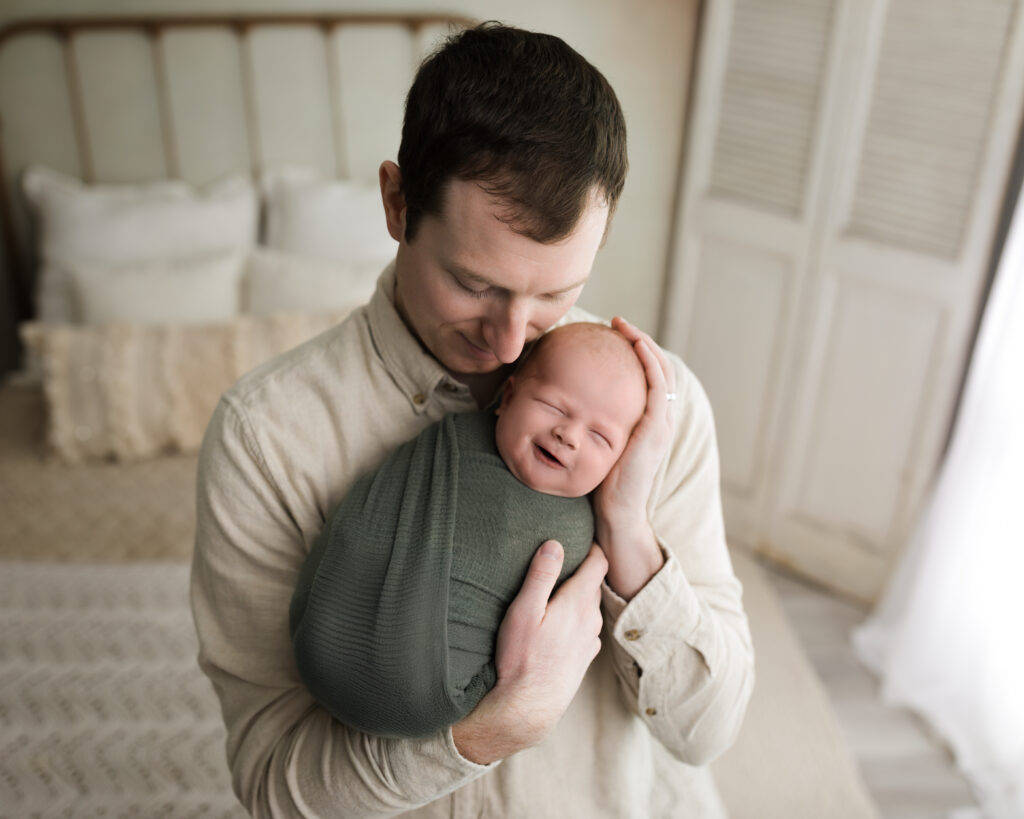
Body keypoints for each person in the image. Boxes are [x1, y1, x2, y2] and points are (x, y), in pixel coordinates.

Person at [191, 22, 754, 818]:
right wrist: (491, 728)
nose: (512, 336)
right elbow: (275, 782)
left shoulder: (660, 409)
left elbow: (708, 730)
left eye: (556, 292)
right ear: (396, 203)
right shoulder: (268, 437)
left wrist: (628, 526)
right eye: (474, 283)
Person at [289, 323, 647, 739]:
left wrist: (627, 522)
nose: (568, 435)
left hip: (431, 693)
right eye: (554, 406)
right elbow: (368, 521)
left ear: (622, 459)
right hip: (323, 641)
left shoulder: (584, 530)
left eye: (600, 437)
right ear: (507, 397)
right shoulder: (449, 446)